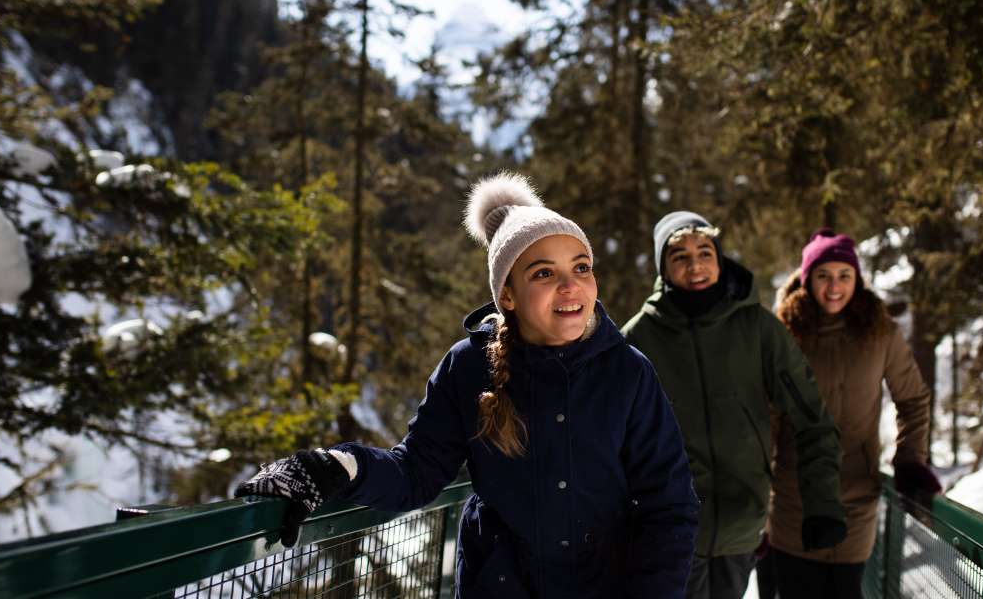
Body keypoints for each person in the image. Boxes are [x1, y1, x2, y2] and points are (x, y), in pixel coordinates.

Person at [234, 173, 700, 599]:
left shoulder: (627, 371)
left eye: (581, 267)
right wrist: (332, 467)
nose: (570, 286)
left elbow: (670, 504)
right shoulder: (468, 368)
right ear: (507, 296)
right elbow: (414, 474)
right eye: (544, 273)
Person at [621, 211, 846, 599]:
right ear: (663, 267)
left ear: (719, 258)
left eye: (705, 252)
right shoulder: (637, 338)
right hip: (669, 531)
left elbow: (812, 418)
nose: (695, 266)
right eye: (680, 257)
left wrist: (823, 503)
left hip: (743, 525)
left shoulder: (758, 328)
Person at [767, 228, 941, 599]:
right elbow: (766, 418)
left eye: (844, 276)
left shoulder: (880, 334)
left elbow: (912, 399)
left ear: (857, 280)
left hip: (856, 499)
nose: (834, 286)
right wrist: (754, 494)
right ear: (807, 279)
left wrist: (910, 458)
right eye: (823, 276)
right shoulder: (783, 335)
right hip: (792, 501)